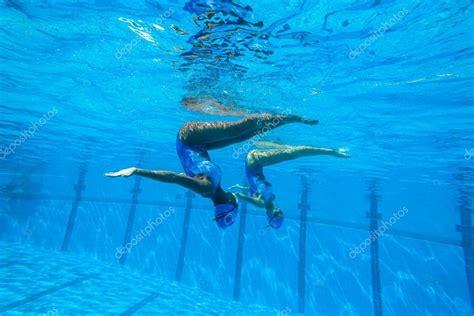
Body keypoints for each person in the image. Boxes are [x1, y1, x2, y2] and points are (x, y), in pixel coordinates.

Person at [105, 114, 318, 229]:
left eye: (236, 206)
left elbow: (173, 178)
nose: (238, 202)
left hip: (188, 137)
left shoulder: (206, 188)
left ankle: (291, 117)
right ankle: (281, 120)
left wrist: (136, 171)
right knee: (241, 137)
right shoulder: (214, 189)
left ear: (231, 206)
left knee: (240, 127)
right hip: (200, 146)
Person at [230, 142, 350, 229]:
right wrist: (243, 188)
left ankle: (332, 152)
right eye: (281, 212)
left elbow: (249, 199)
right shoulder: (271, 198)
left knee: (291, 154)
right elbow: (255, 188)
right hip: (255, 160)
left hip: (255, 161)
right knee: (285, 149)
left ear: (268, 215)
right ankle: (272, 139)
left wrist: (237, 195)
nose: (278, 210)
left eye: (276, 214)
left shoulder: (262, 203)